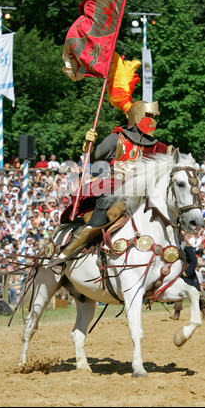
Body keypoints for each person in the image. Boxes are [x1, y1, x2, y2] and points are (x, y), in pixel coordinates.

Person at [50, 52, 174, 268]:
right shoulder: (116, 139)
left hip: (143, 193)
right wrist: (88, 144)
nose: (153, 121)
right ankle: (66, 253)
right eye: (149, 117)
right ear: (136, 117)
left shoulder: (158, 146)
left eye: (155, 117)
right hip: (116, 189)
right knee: (106, 214)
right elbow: (93, 158)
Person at [170, 237, 205, 321]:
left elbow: (193, 260)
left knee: (195, 294)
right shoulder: (175, 247)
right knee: (178, 292)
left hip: (189, 274)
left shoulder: (187, 246)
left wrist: (187, 272)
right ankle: (176, 313)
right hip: (180, 273)